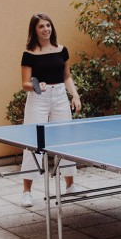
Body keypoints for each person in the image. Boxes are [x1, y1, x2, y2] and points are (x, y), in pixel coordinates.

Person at [19, 13, 83, 207]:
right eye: (41, 26)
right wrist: (38, 86)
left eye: (48, 25)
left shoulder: (62, 50)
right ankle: (27, 192)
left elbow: (67, 76)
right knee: (33, 142)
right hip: (39, 98)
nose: (46, 29)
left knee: (65, 140)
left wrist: (75, 95)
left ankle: (70, 186)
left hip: (60, 96)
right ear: (34, 30)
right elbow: (24, 83)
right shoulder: (29, 54)